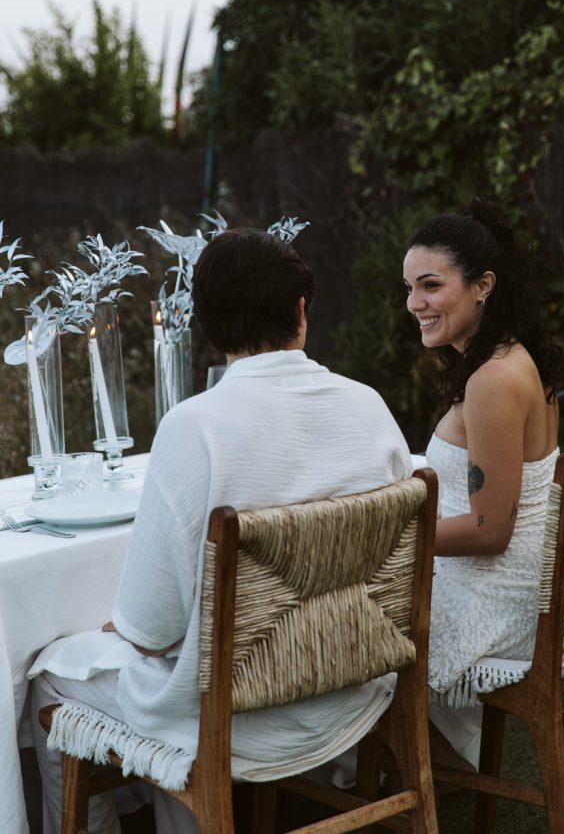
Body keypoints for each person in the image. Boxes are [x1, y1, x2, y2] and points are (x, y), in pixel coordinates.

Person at [31, 227, 413, 834]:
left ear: (206, 326)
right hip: (357, 688)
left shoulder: (194, 427)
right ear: (300, 311)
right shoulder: (368, 405)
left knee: (51, 675)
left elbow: (152, 631)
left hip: (238, 718)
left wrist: (124, 624)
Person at [402, 199, 561, 768]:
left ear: (483, 286)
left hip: (497, 598)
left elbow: (491, 530)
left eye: (430, 286)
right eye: (410, 288)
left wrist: (395, 535)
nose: (414, 304)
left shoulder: (493, 379)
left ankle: (374, 774)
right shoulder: (507, 357)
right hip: (506, 576)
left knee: (351, 617)